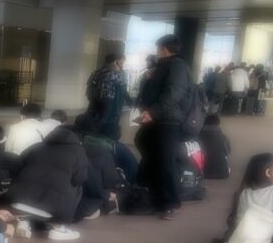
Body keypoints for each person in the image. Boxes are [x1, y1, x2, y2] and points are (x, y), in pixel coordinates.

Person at [137, 34, 193, 220]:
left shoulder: (177, 66)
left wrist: (153, 112)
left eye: (158, 48)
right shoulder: (162, 66)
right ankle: (151, 193)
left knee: (165, 161)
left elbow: (174, 92)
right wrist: (148, 78)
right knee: (144, 144)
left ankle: (170, 203)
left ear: (163, 49)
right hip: (156, 120)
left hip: (168, 121)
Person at [6, 127, 89, 241]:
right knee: (78, 187)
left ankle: (24, 221)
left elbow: (16, 167)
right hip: (53, 206)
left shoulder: (36, 146)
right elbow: (80, 178)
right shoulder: (78, 150)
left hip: (17, 200)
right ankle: (58, 227)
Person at [87, 53, 131, 141]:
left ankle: (94, 138)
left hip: (98, 100)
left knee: (99, 119)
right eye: (122, 61)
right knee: (107, 120)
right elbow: (122, 84)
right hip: (110, 100)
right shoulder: (113, 73)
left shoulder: (98, 72)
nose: (123, 63)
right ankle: (103, 139)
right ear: (115, 61)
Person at [200, 114, 231, 179]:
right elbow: (228, 152)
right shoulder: (224, 137)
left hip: (202, 173)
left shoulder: (197, 137)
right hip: (222, 173)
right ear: (218, 124)